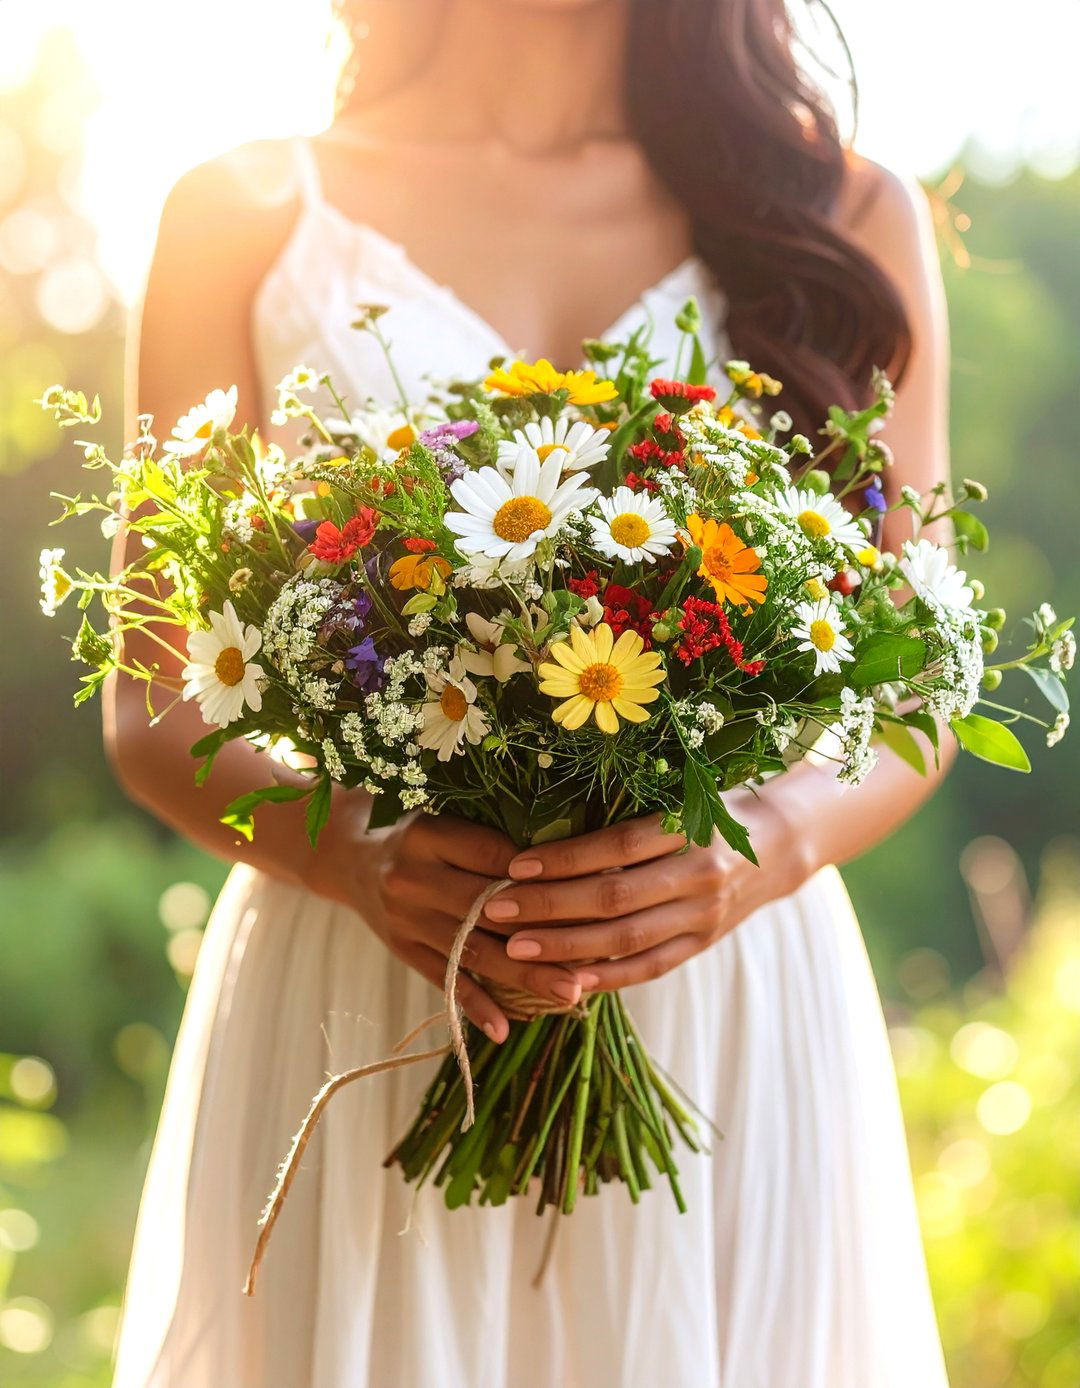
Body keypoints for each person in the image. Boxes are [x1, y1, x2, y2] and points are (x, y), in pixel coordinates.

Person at [109, 2, 953, 1384]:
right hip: (368, 971)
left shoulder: (844, 213)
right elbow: (152, 704)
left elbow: (916, 689)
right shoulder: (245, 207)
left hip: (717, 968)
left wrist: (759, 856)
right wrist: (353, 856)